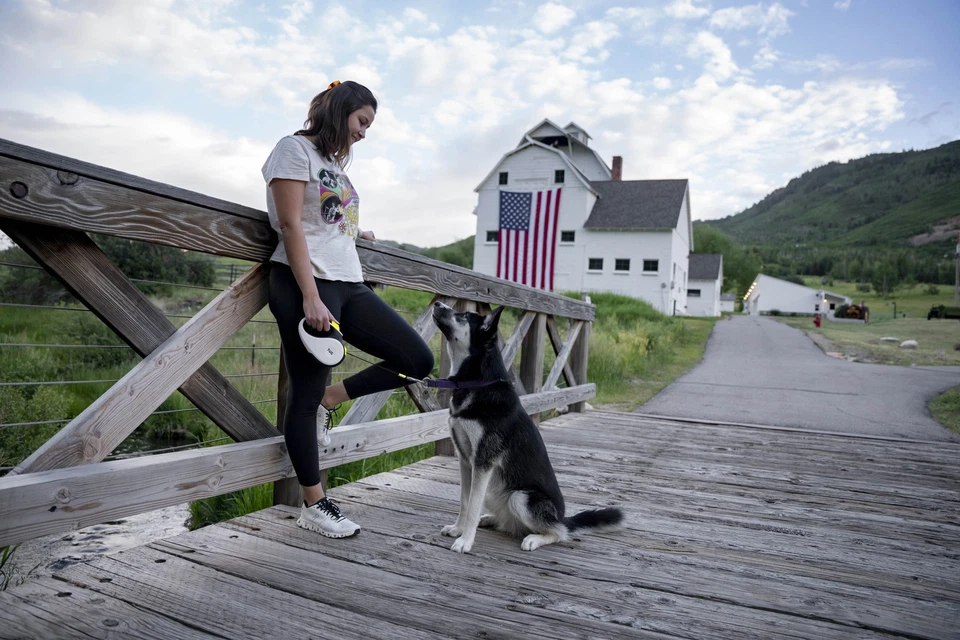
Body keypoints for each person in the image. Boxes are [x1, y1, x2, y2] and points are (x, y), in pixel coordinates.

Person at [262, 80, 434, 539]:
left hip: (348, 282)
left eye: (369, 126)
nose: (364, 133)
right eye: (362, 122)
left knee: (417, 359)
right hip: (307, 284)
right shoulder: (292, 150)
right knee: (303, 393)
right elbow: (290, 224)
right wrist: (310, 297)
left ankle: (332, 399)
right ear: (340, 113)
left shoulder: (332, 165)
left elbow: (326, 222)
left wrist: (357, 234)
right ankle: (314, 504)